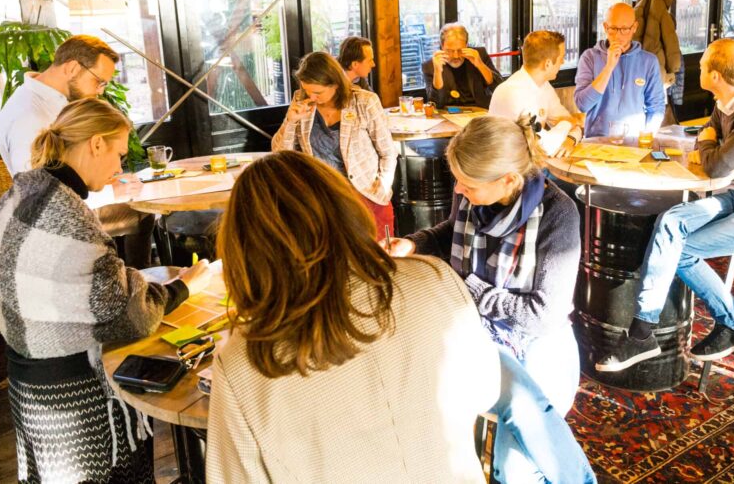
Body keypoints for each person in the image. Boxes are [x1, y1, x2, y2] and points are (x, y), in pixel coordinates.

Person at [205, 151, 500, 483]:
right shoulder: (433, 279)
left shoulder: (244, 362)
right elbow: (486, 391)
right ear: (346, 209)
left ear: (244, 249)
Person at [0, 98, 213, 484]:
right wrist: (183, 286)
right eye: (119, 155)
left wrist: (130, 278)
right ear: (95, 144)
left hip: (30, 386)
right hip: (74, 399)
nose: (118, 169)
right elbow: (131, 315)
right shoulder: (68, 217)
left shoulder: (24, 191)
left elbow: (93, 280)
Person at [596, 39, 734, 371]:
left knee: (682, 249)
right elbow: (710, 130)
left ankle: (721, 326)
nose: (698, 68)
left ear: (715, 76)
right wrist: (710, 140)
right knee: (672, 221)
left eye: (702, 66)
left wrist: (708, 143)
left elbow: (717, 166)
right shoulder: (730, 99)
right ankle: (649, 337)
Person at [391, 115, 594, 483]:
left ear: (509, 180)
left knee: (514, 468)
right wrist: (416, 243)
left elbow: (542, 316)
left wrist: (467, 287)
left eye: (466, 184)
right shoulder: (474, 200)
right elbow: (450, 231)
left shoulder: (557, 214)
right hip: (478, 331)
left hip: (537, 338)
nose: (457, 190)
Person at [0, 35, 155, 268]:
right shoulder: (29, 115)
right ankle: (137, 285)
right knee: (141, 213)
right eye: (98, 81)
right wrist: (111, 194)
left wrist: (109, 180)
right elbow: (39, 197)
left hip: (67, 209)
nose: (99, 91)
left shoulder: (47, 101)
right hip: (54, 229)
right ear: (72, 68)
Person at [273, 51, 398, 236]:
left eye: (318, 92)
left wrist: (382, 186)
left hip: (365, 194)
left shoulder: (364, 102)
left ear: (336, 84)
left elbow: (388, 152)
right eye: (307, 91)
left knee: (376, 255)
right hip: (322, 197)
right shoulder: (302, 100)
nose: (312, 97)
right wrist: (291, 121)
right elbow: (280, 154)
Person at [575, 2, 666, 139]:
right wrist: (609, 67)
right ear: (605, 27)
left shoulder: (649, 61)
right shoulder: (589, 57)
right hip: (596, 141)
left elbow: (656, 107)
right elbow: (583, 105)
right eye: (613, 28)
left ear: (634, 27)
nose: (618, 35)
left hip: (634, 142)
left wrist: (646, 138)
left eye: (625, 29)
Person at [489, 29, 583, 157]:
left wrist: (570, 140)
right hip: (508, 169)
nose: (563, 62)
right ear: (548, 64)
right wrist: (572, 121)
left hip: (530, 164)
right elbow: (544, 147)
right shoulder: (512, 93)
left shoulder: (544, 86)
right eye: (561, 58)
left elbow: (570, 125)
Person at [634, 0, 682, 126]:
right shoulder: (664, 14)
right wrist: (674, 69)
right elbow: (671, 45)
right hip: (657, 66)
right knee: (656, 103)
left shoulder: (635, 11)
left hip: (634, 67)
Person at [421, 23, 503, 109]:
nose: (456, 56)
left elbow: (499, 89)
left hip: (480, 111)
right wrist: (437, 72)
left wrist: (480, 65)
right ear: (442, 46)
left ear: (467, 44)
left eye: (460, 50)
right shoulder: (430, 65)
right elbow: (434, 104)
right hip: (449, 114)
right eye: (450, 51)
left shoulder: (479, 55)